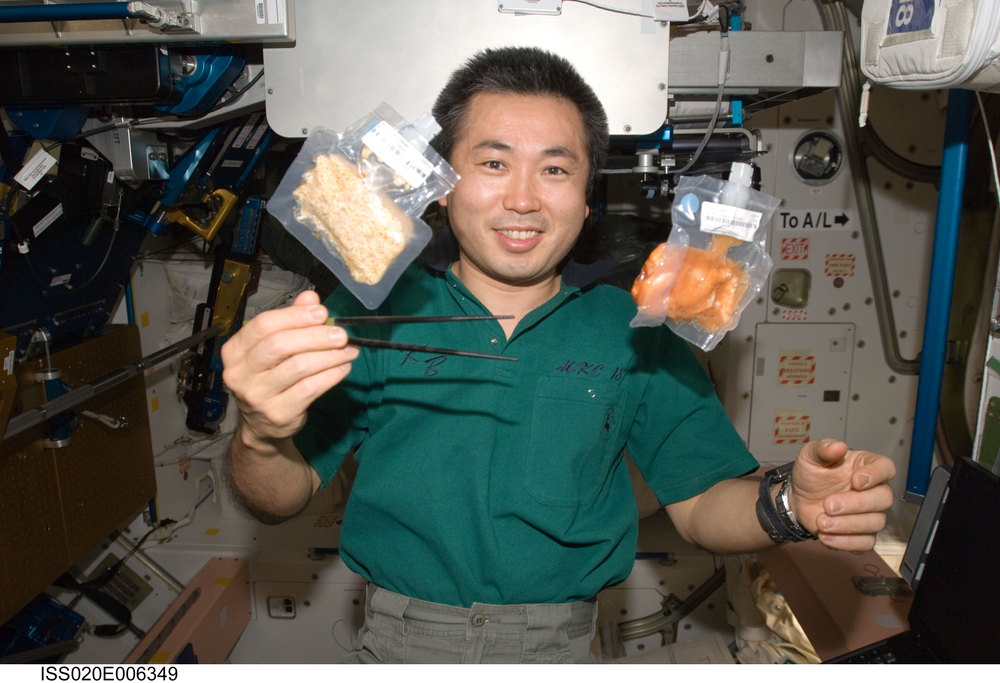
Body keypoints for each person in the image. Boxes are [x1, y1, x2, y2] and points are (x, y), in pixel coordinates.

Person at [221, 47, 896, 664]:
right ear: (443, 183)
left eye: (554, 168)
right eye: (492, 162)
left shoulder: (636, 331)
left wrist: (788, 505)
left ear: (586, 193)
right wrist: (258, 433)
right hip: (400, 644)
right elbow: (281, 494)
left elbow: (700, 501)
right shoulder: (368, 313)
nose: (522, 197)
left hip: (562, 648)